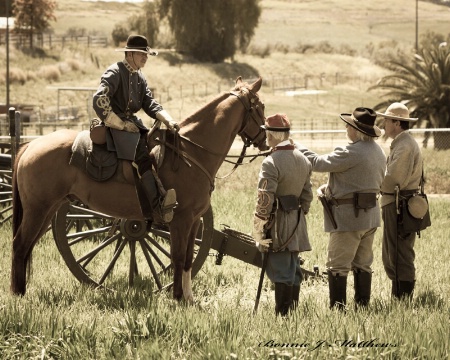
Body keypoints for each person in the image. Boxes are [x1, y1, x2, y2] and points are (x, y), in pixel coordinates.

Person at [298, 107, 386, 310]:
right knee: (363, 264)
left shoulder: (351, 151)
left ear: (356, 130)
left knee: (337, 266)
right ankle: (362, 308)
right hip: (370, 216)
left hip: (348, 219)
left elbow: (317, 163)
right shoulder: (378, 151)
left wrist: (296, 146)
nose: (346, 128)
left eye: (349, 125)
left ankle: (338, 311)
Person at [92, 35, 179, 223]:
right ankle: (156, 205)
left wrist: (168, 120)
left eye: (146, 54)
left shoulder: (140, 76)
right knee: (142, 156)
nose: (145, 58)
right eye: (142, 54)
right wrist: (122, 124)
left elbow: (149, 103)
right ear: (130, 53)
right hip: (114, 127)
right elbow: (99, 99)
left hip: (133, 126)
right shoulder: (115, 72)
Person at [252, 113, 313, 316]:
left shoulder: (271, 162)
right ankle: (291, 315)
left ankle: (283, 316)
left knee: (281, 271)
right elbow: (307, 196)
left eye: (267, 134)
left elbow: (264, 201)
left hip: (278, 224)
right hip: (297, 221)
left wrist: (259, 229)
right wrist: (297, 213)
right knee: (293, 270)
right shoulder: (304, 160)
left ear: (271, 136)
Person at [377, 102, 422, 300]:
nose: (384, 124)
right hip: (401, 204)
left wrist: (376, 185)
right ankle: (401, 296)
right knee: (396, 250)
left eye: (387, 120)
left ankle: (402, 299)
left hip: (398, 205)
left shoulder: (404, 145)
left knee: (398, 252)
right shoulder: (404, 143)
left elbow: (393, 179)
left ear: (397, 123)